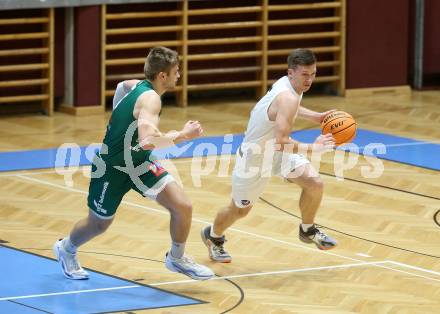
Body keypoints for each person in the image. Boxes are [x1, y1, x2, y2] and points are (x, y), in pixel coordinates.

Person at [54, 46, 214, 280]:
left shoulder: (136, 85)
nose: (179, 75)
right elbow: (148, 141)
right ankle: (66, 249)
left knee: (183, 206)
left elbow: (122, 87)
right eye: (176, 72)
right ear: (162, 76)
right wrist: (183, 135)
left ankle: (176, 258)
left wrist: (118, 112)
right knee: (98, 224)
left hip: (139, 164)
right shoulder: (150, 100)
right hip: (112, 168)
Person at [201, 48, 338, 263]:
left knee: (314, 183)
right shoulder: (286, 96)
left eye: (313, 74)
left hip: (276, 153)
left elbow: (290, 107)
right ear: (291, 72)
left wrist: (316, 116)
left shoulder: (288, 84)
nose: (309, 80)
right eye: (305, 75)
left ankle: (308, 229)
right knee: (239, 210)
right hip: (255, 158)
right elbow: (282, 140)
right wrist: (315, 148)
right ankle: (213, 236)